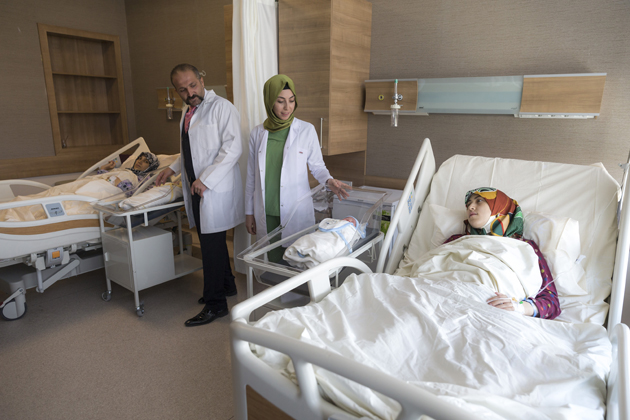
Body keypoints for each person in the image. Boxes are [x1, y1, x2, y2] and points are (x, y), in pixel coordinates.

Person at [155, 64, 244, 327]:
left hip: (212, 188)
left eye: (193, 85)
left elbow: (233, 148)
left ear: (202, 81)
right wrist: (172, 168)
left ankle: (216, 305)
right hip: (197, 188)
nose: (190, 93)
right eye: (182, 90)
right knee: (211, 242)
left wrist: (206, 179)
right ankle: (227, 285)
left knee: (211, 247)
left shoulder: (222, 108)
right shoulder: (188, 111)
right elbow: (191, 150)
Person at [245, 74, 350, 261]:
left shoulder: (306, 130)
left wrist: (328, 180)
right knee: (273, 262)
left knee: (297, 261)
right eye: (280, 101)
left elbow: (317, 166)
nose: (287, 107)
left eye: (292, 100)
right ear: (269, 101)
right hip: (266, 211)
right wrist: (249, 213)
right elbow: (251, 176)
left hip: (295, 211)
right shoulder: (257, 133)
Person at [444, 187, 561, 319]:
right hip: (443, 298)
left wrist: (519, 307)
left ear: (500, 206)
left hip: (488, 309)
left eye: (479, 201)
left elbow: (552, 303)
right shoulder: (456, 241)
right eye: (468, 204)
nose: (470, 207)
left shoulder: (524, 247)